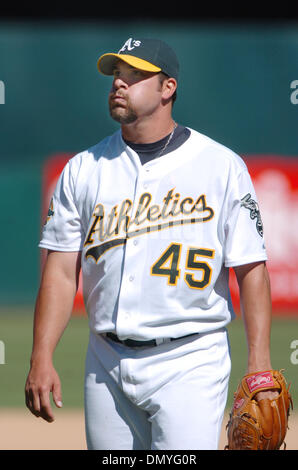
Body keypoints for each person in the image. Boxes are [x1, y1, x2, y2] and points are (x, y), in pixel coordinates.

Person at [25, 37, 275, 450]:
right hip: (104, 360)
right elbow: (59, 273)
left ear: (168, 88)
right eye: (117, 76)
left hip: (191, 358)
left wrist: (259, 364)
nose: (119, 84)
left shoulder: (220, 166)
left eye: (135, 76)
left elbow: (252, 269)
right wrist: (41, 355)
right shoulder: (83, 169)